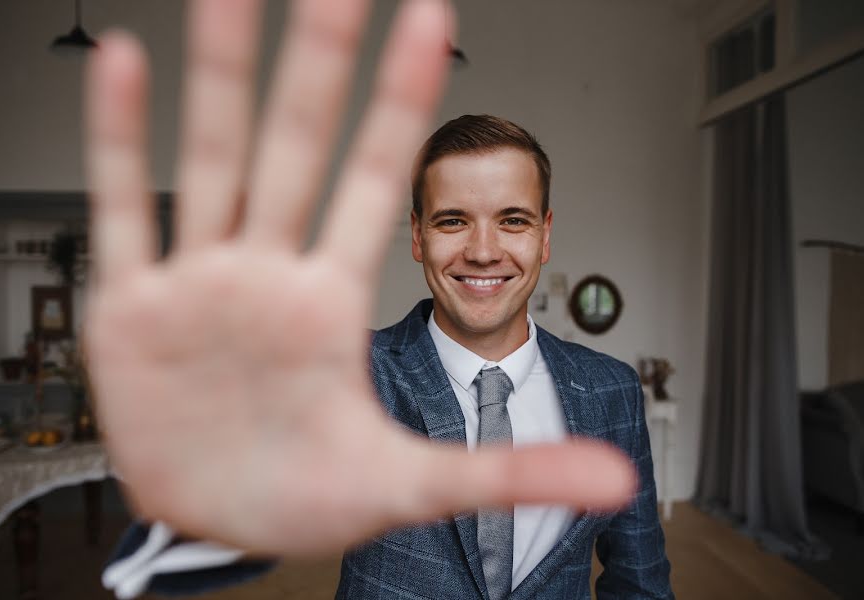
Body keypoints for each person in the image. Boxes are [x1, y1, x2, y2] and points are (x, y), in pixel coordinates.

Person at [85, 0, 671, 598]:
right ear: (416, 237)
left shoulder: (612, 391)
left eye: (513, 220)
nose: (484, 250)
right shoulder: (348, 373)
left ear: (545, 236)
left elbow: (640, 582)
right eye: (452, 222)